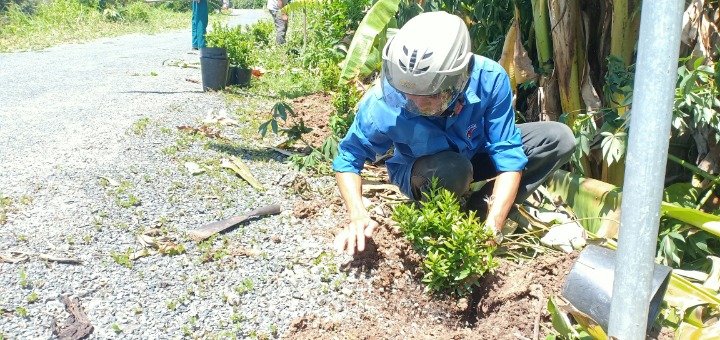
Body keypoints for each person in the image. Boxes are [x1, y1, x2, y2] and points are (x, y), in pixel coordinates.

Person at [331, 11, 576, 256]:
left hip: (473, 152)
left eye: (430, 94)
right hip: (423, 170)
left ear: (460, 78)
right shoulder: (383, 102)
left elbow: (508, 154)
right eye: (407, 94)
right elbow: (348, 157)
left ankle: (481, 210)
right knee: (452, 169)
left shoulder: (489, 78)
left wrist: (494, 227)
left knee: (557, 139)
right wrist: (357, 213)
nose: (415, 103)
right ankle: (442, 213)